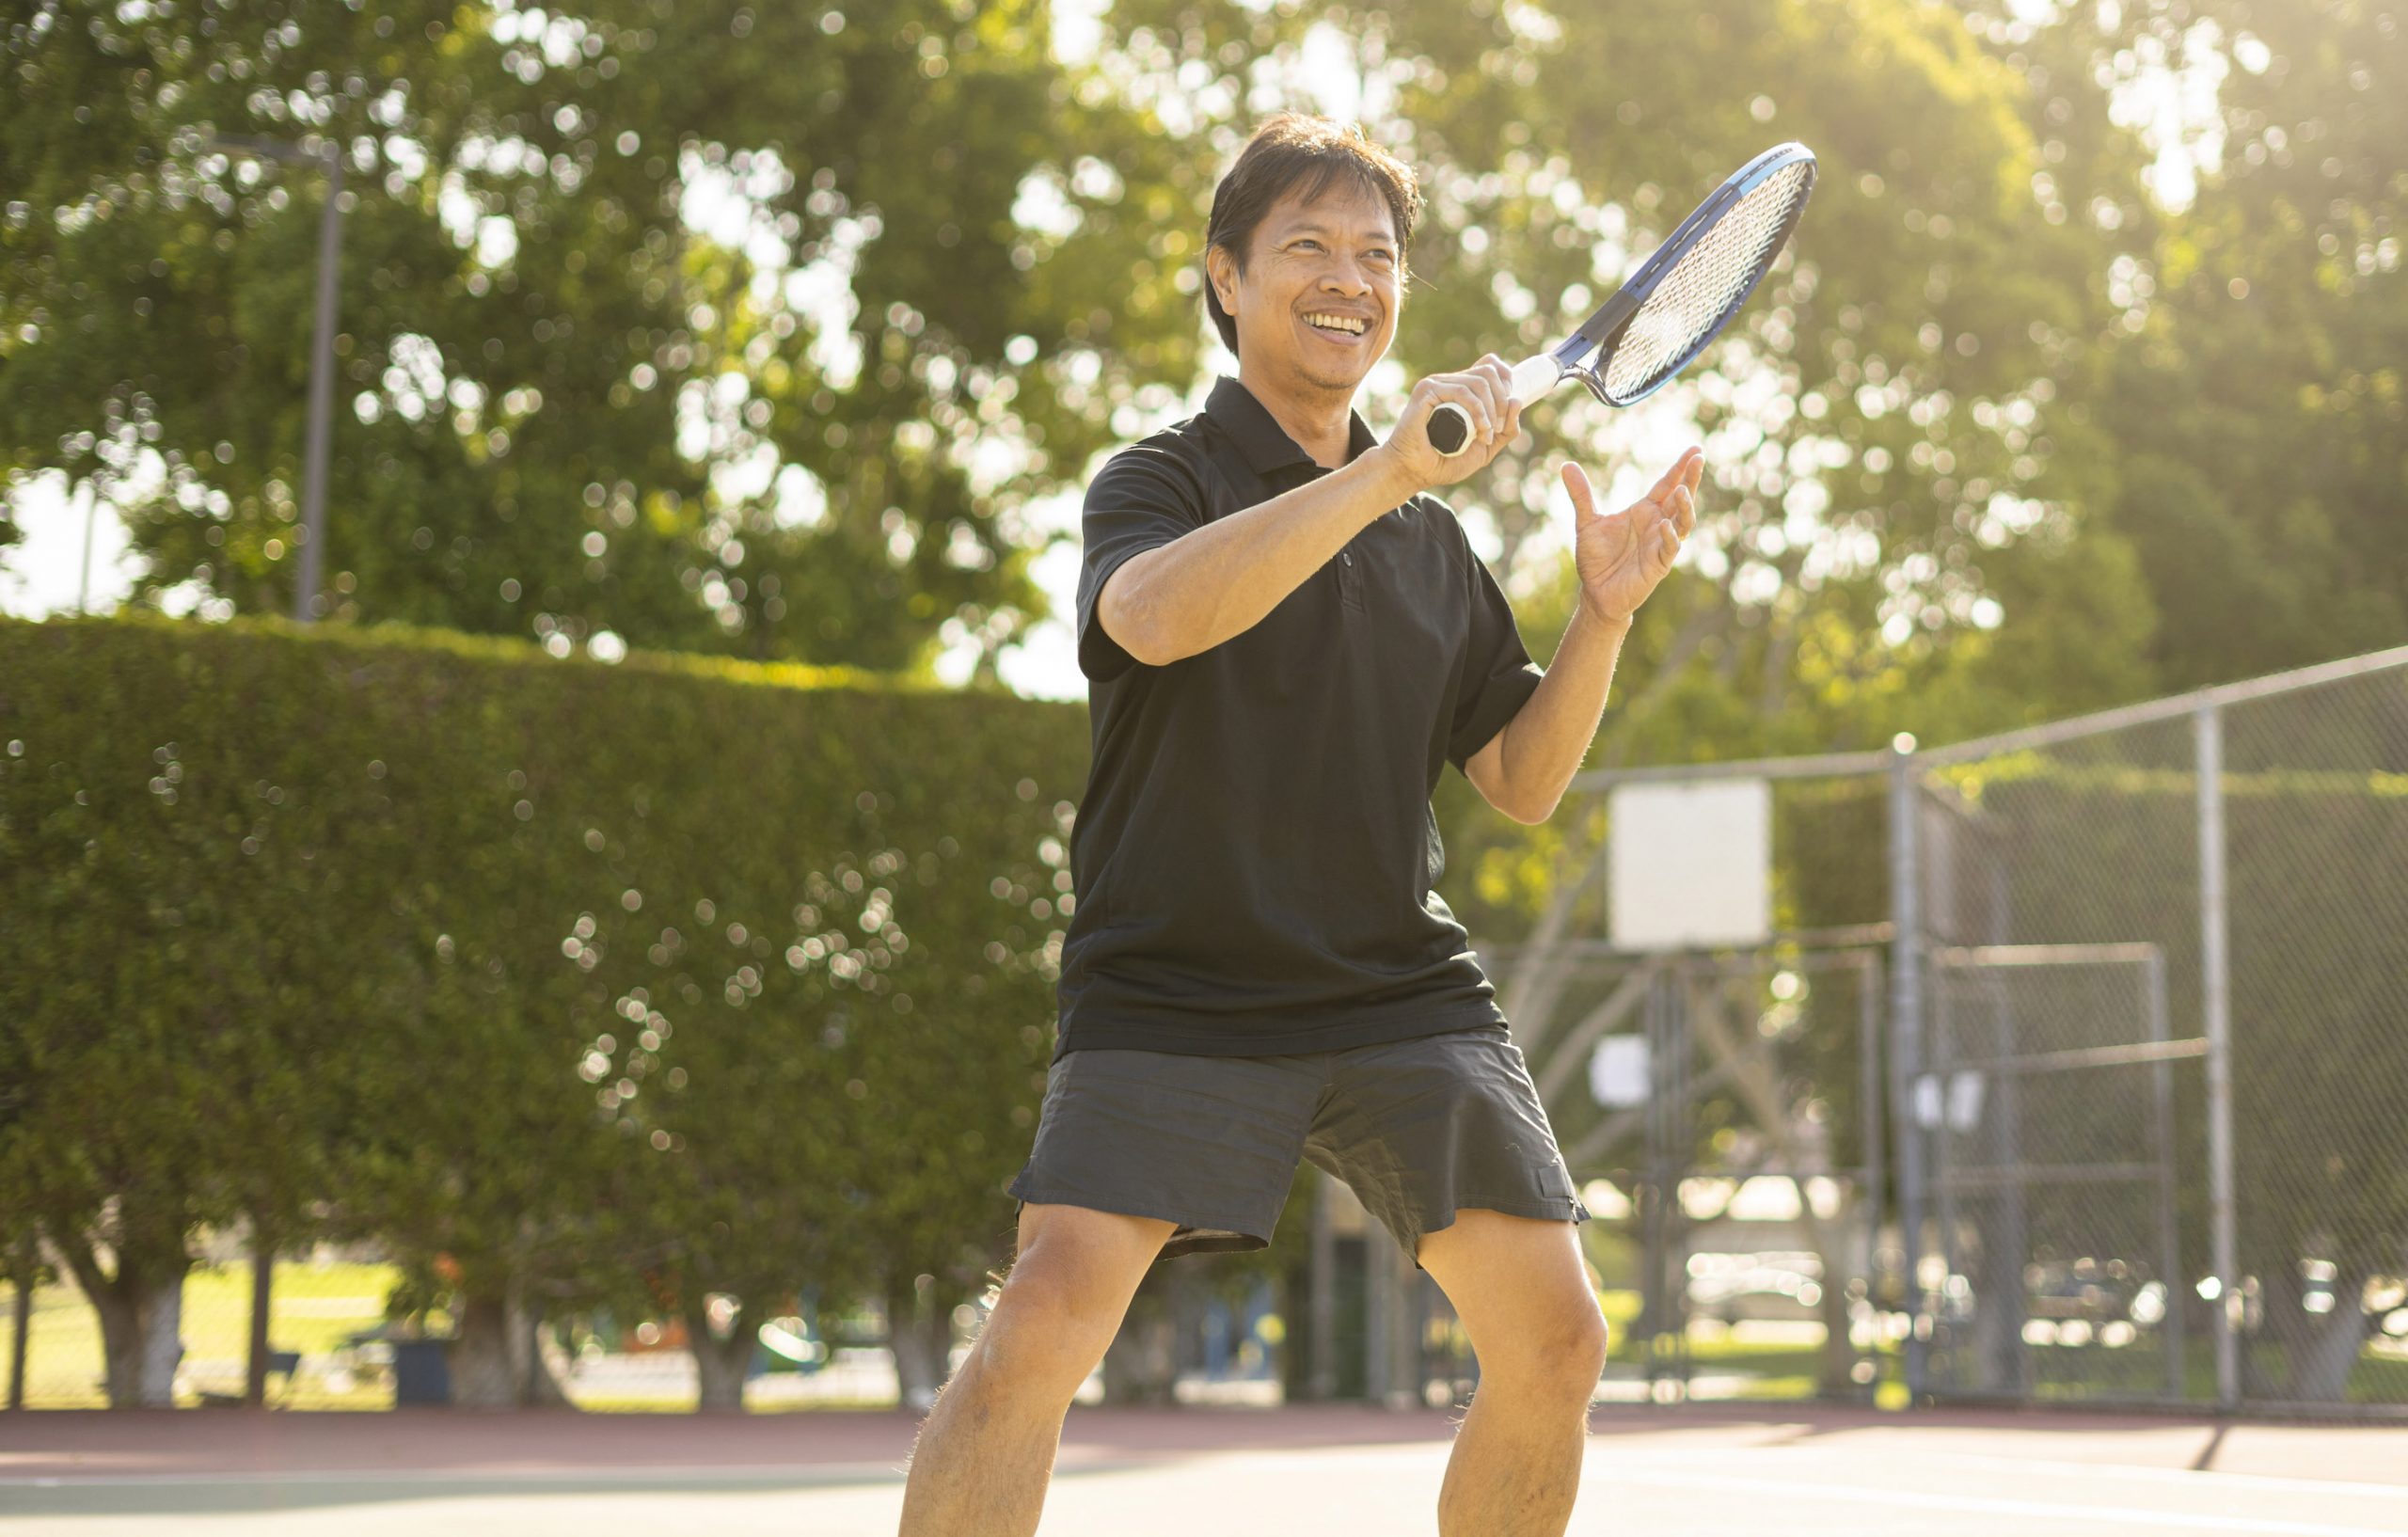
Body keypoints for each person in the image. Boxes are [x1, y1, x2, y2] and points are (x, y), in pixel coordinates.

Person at [896, 112, 1701, 1537]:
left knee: (1560, 1340)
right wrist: (1387, 467)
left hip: (1397, 989)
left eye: (1377, 254)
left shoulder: (1434, 546)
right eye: (1308, 247)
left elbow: (1520, 777)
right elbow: (1148, 617)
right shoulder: (1158, 480)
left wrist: (1604, 614)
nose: (1350, 278)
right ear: (1227, 277)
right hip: (1176, 981)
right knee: (1035, 1334)